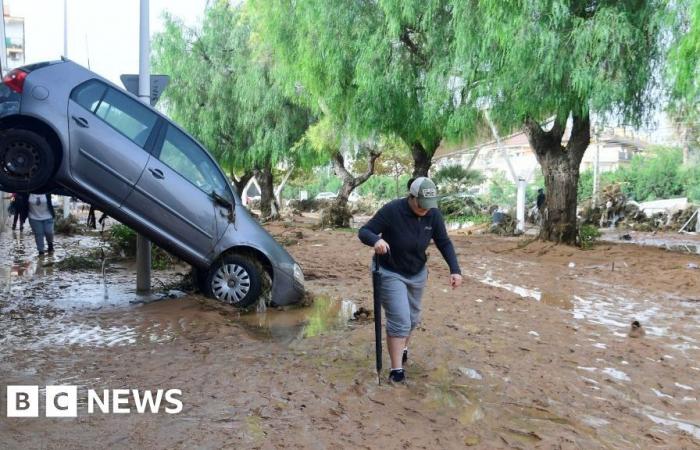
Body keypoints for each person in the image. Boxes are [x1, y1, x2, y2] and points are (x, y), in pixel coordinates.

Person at [358, 177, 463, 384]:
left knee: (412, 319)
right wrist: (376, 240)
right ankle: (396, 371)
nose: (425, 209)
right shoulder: (392, 210)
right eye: (421, 204)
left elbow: (443, 242)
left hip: (417, 272)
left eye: (429, 205)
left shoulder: (433, 214)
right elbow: (364, 231)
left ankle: (402, 347)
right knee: (400, 320)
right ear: (411, 197)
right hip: (389, 271)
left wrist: (455, 270)